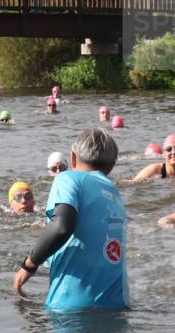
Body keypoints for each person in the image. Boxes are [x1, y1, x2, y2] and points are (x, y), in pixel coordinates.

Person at [13, 128, 128, 310]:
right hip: (117, 304)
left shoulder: (67, 178)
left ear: (73, 158)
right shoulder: (114, 194)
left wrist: (28, 266)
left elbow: (62, 227)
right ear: (112, 164)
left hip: (71, 305)